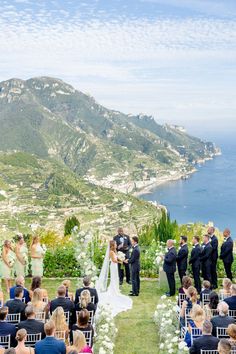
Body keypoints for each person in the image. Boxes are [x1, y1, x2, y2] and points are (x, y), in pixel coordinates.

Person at [96, 240, 133, 317]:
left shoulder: (114, 251)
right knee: (114, 279)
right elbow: (114, 260)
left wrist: (120, 259)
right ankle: (113, 290)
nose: (116, 244)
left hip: (115, 267)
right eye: (115, 244)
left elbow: (116, 259)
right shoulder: (111, 252)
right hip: (113, 266)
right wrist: (121, 261)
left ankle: (115, 289)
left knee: (116, 278)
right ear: (113, 245)